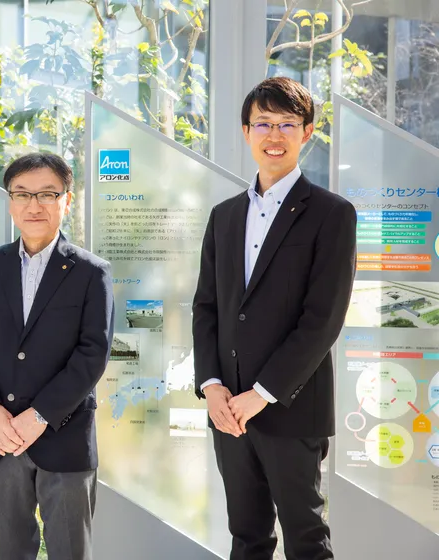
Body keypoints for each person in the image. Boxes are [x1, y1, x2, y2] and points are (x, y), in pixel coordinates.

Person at [192, 77, 356, 560]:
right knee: (247, 539)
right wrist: (213, 386)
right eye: (263, 123)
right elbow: (207, 308)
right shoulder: (224, 216)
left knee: (306, 540)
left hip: (291, 408)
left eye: (287, 124)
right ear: (247, 132)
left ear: (307, 132)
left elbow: (322, 319)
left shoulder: (331, 213)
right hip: (229, 410)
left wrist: (261, 394)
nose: (274, 135)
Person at [0, 153, 114, 560]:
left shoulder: (91, 272)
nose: (34, 205)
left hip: (64, 437)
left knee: (70, 552)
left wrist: (40, 414)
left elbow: (93, 353)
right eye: (22, 194)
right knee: (8, 552)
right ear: (10, 202)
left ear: (66, 200)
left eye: (47, 194)